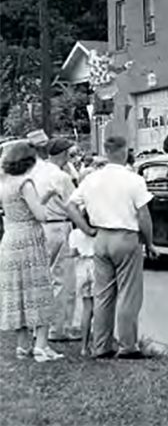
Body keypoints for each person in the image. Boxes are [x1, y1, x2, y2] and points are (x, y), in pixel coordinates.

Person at [65, 136, 159, 359]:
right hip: (125, 236)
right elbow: (143, 215)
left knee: (103, 294)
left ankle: (101, 345)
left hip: (101, 237)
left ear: (106, 152)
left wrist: (87, 229)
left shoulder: (92, 179)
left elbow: (70, 206)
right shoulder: (134, 180)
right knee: (128, 293)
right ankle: (128, 345)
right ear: (124, 151)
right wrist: (149, 242)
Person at [0, 142, 74, 362]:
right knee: (39, 289)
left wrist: (45, 197)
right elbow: (40, 215)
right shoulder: (25, 183)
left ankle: (22, 345)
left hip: (11, 238)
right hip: (29, 239)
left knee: (18, 292)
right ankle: (41, 345)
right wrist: (47, 201)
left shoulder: (4, 182)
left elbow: (21, 208)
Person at [30, 137, 80, 342]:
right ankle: (58, 328)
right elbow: (75, 203)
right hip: (59, 225)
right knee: (63, 280)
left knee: (43, 279)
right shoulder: (61, 177)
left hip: (40, 226)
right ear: (64, 154)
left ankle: (37, 326)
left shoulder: (36, 171)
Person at [68, 225, 95, 355]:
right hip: (97, 267)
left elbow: (72, 253)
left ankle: (84, 347)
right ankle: (99, 344)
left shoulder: (74, 234)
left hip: (82, 270)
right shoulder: (99, 232)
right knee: (100, 308)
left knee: (87, 309)